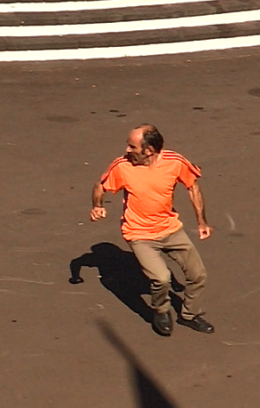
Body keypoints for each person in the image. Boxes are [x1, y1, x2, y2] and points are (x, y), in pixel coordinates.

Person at [90, 124, 214, 336]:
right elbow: (100, 186)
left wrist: (201, 222)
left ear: (149, 150)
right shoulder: (122, 166)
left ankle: (189, 315)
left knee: (198, 275)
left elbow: (193, 187)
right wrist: (97, 206)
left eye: (132, 147)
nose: (127, 151)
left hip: (170, 229)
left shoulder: (175, 162)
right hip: (139, 234)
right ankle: (161, 310)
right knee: (161, 278)